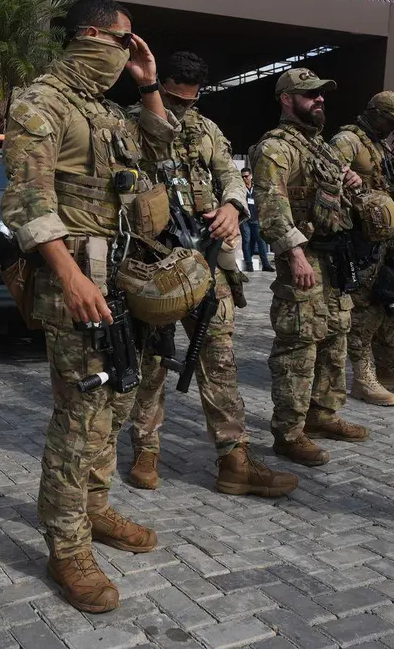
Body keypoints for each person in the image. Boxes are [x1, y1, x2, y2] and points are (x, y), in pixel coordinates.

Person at [1, 0, 177, 613]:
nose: (130, 53)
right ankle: (67, 542)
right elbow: (27, 201)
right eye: (125, 43)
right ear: (93, 38)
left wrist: (150, 84)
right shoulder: (40, 103)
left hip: (122, 281)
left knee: (118, 401)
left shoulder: (106, 110)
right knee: (79, 417)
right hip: (76, 287)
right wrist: (71, 278)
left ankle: (95, 507)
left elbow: (162, 153)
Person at [122, 50, 297, 499]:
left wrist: (233, 207)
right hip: (151, 260)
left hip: (206, 257)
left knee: (218, 357)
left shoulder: (207, 130)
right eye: (173, 101)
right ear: (158, 87)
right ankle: (146, 449)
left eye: (190, 102)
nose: (182, 112)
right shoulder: (126, 122)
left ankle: (234, 459)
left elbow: (231, 176)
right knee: (153, 358)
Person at [249, 68, 370, 468]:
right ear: (286, 99)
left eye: (321, 94)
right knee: (298, 346)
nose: (319, 99)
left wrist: (351, 183)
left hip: (336, 260)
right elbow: (272, 205)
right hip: (306, 259)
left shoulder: (322, 148)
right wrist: (294, 255)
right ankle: (289, 432)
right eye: (309, 94)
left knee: (335, 338)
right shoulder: (275, 148)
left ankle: (322, 414)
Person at [331, 90, 394, 407]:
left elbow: (385, 185)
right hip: (362, 243)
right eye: (393, 120)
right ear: (375, 113)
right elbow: (327, 184)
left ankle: (390, 367)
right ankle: (363, 378)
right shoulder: (346, 141)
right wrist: (360, 198)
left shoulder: (380, 144)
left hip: (391, 239)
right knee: (366, 308)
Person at [241, 170, 271, 271]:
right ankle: (249, 264)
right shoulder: (240, 188)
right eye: (243, 177)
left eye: (246, 176)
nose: (244, 178)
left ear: (251, 176)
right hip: (245, 219)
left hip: (256, 218)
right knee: (246, 240)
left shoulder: (257, 188)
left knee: (261, 241)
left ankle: (266, 265)